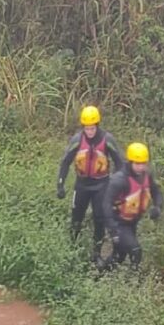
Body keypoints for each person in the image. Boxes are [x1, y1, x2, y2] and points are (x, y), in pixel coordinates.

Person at [56, 105, 123, 262]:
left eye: (92, 128)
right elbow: (65, 162)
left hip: (101, 185)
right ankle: (72, 249)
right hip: (82, 185)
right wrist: (60, 184)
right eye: (87, 128)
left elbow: (120, 163)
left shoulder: (108, 140)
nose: (90, 131)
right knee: (76, 218)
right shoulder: (78, 140)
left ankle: (96, 253)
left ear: (97, 126)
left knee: (99, 218)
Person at [99, 142, 164, 271]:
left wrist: (157, 207)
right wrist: (112, 229)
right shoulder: (119, 180)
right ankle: (134, 281)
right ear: (130, 162)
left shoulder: (147, 175)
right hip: (119, 223)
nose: (140, 167)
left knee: (119, 256)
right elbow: (105, 204)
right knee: (135, 250)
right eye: (137, 164)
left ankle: (100, 273)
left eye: (143, 164)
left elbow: (156, 192)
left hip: (132, 222)